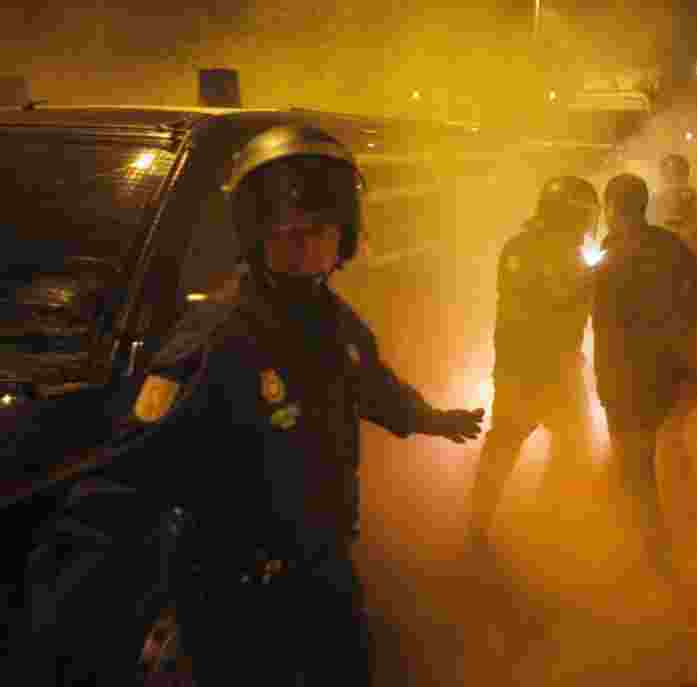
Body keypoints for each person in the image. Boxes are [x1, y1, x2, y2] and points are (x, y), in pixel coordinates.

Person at [26, 124, 485, 686]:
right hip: (234, 583)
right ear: (254, 236)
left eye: (318, 233)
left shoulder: (333, 321)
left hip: (321, 562)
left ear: (343, 238)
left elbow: (370, 386)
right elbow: (133, 464)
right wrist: (63, 596)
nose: (306, 249)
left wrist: (429, 419)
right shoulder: (217, 334)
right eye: (288, 235)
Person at [592, 173, 697, 576]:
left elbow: (599, 316)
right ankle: (688, 534)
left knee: (636, 472)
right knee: (666, 456)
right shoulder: (666, 244)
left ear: (610, 208)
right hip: (667, 371)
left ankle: (655, 560)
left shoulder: (609, 253)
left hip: (624, 377)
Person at [466, 176, 599, 566]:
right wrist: (591, 280)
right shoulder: (524, 249)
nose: (586, 226)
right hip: (525, 369)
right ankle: (478, 530)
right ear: (568, 214)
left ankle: (551, 526)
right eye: (583, 216)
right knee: (504, 446)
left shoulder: (561, 250)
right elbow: (548, 302)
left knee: (570, 447)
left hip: (559, 367)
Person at [649, 154, 697, 255]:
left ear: (685, 174)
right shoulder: (654, 200)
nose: (673, 178)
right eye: (668, 174)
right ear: (663, 175)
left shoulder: (696, 199)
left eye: (678, 173)